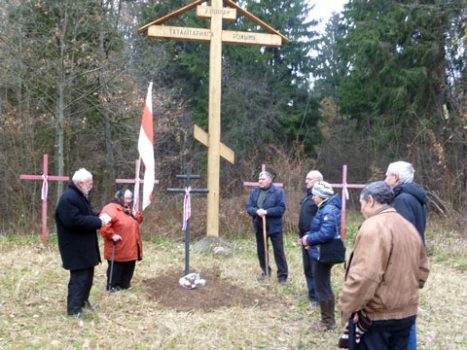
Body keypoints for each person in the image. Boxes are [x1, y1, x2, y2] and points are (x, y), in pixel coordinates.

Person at [338, 181, 429, 350]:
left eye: (361, 204)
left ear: (371, 200)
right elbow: (423, 270)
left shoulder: (373, 226)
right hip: (406, 314)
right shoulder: (408, 226)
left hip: (378, 318)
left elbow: (364, 277)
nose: (361, 209)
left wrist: (347, 308)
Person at [385, 161, 427, 350]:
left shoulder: (402, 200)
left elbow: (401, 235)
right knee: (406, 312)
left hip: (404, 263)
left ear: (396, 177)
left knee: (402, 314)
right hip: (413, 259)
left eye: (387, 175)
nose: (385, 179)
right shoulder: (414, 197)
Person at [55, 168, 103, 318]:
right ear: (80, 183)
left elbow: (85, 215)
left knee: (88, 275)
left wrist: (99, 216)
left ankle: (83, 301)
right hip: (74, 246)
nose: (92, 185)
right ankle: (74, 309)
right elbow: (74, 221)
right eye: (89, 182)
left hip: (84, 245)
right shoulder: (68, 198)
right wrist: (98, 221)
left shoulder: (80, 196)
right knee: (79, 277)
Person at [301, 181, 342, 330]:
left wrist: (308, 239)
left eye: (315, 195)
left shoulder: (329, 209)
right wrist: (309, 236)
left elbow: (327, 233)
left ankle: (328, 322)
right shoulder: (324, 207)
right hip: (319, 251)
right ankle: (327, 320)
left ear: (322, 196)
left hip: (322, 253)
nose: (312, 198)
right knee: (323, 286)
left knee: (322, 287)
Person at [246, 171, 288, 285]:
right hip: (259, 226)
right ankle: (266, 271)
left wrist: (267, 212)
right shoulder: (255, 192)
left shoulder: (278, 192)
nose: (260, 180)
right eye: (259, 178)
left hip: (275, 227)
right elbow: (249, 207)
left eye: (263, 178)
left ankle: (282, 276)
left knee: (278, 251)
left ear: (270, 180)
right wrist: (256, 211)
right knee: (261, 251)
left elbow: (281, 208)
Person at [99, 189, 144, 292]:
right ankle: (113, 286)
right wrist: (112, 235)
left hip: (131, 245)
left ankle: (125, 284)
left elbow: (138, 220)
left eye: (130, 198)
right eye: (127, 198)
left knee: (129, 265)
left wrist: (137, 215)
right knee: (117, 267)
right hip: (118, 245)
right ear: (119, 197)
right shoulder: (109, 209)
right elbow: (103, 225)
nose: (129, 201)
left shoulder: (128, 209)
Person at [298, 170, 323, 305]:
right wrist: (301, 236)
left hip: (315, 238)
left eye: (310, 179)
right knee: (307, 267)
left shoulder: (321, 198)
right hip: (305, 237)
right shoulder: (308, 197)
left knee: (316, 268)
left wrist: (313, 237)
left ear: (318, 181)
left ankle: (319, 297)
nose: (306, 181)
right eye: (306, 179)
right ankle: (312, 294)